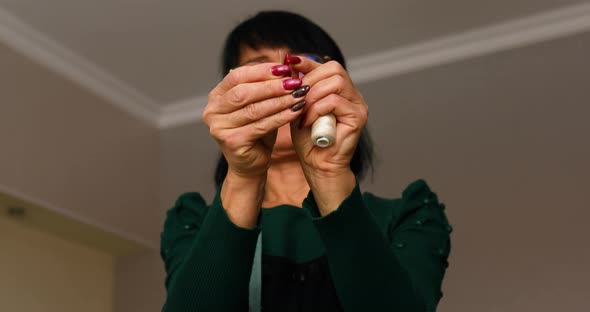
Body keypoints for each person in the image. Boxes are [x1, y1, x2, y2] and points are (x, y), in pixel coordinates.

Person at [160, 10, 451, 312]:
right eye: (261, 73)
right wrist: (244, 175)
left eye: (299, 69)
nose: (284, 80)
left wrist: (328, 173)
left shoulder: (408, 215)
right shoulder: (192, 222)